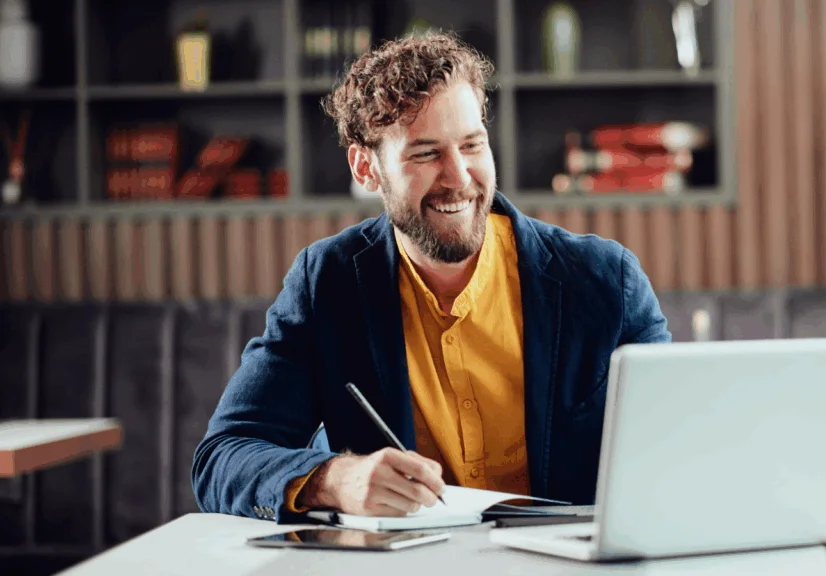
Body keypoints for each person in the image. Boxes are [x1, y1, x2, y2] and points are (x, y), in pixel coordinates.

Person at [191, 31, 670, 524]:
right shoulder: (327, 283)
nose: (459, 176)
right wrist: (334, 480)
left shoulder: (606, 280)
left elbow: (682, 446)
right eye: (426, 153)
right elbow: (222, 459)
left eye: (471, 145)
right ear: (366, 167)